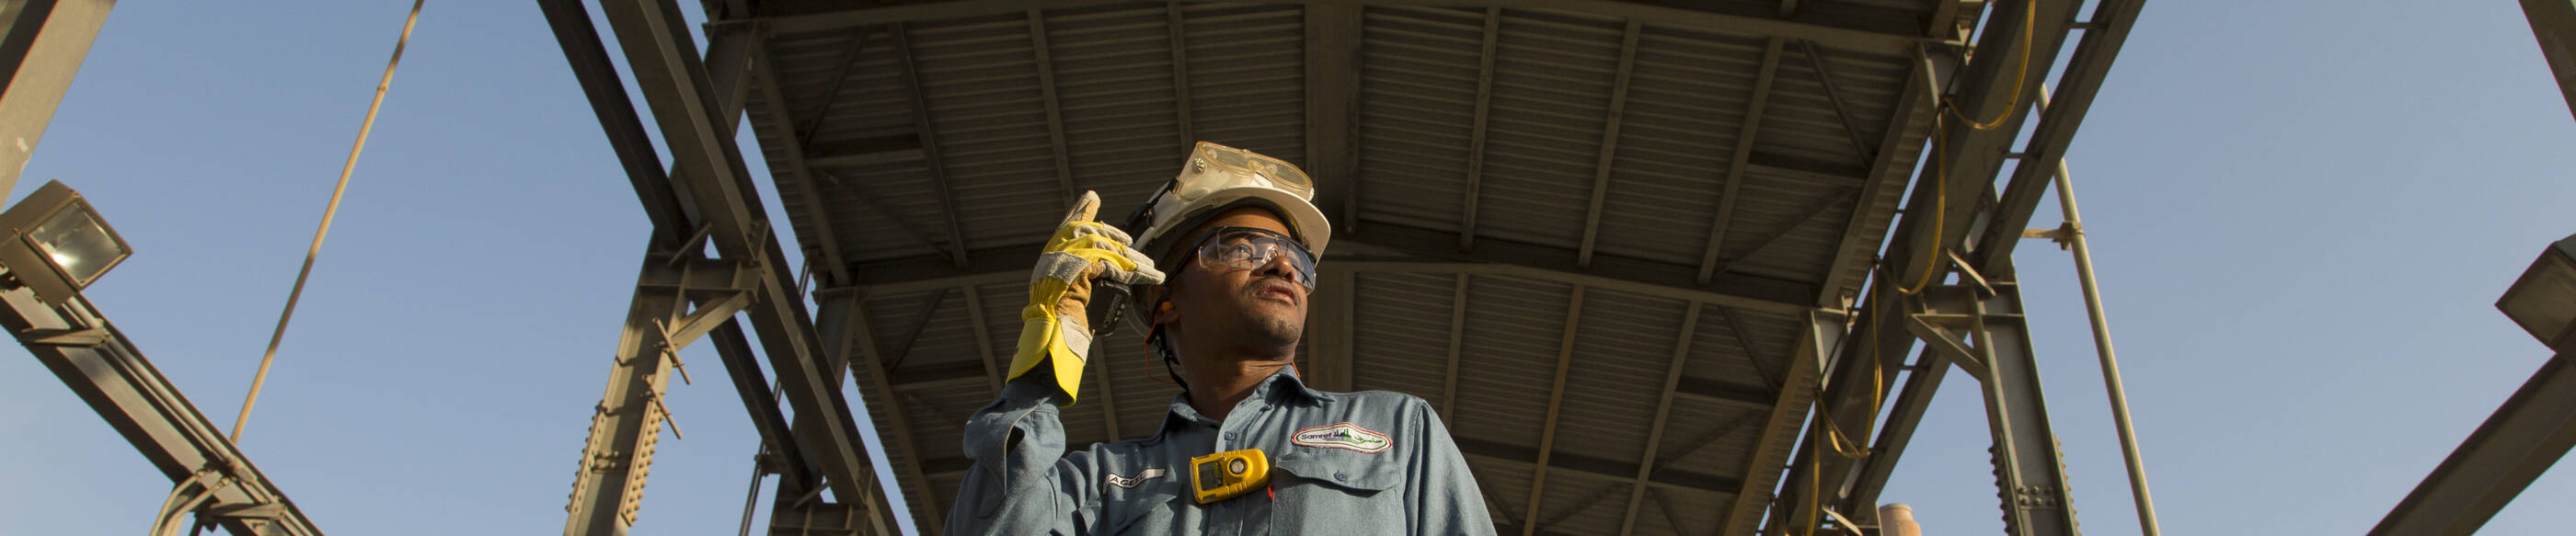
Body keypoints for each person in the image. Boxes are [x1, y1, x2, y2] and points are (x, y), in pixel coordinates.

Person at [945, 142, 1498, 535]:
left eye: (1297, 259)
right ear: (1165, 303)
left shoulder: (1400, 430)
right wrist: (1044, 361)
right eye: (1241, 247)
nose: (1282, 266)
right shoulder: (1095, 486)